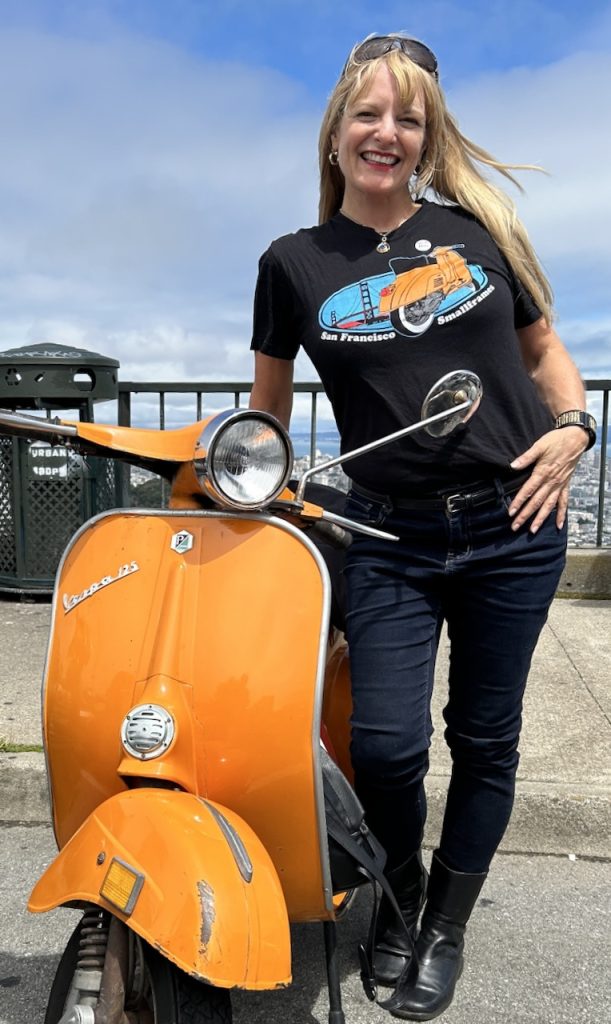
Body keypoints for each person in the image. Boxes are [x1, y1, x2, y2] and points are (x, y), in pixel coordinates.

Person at [248, 34, 595, 1021]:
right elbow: (266, 413)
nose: (385, 132)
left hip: (512, 524)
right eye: (367, 113)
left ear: (427, 136)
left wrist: (575, 427)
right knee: (385, 745)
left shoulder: (477, 233)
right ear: (335, 131)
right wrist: (238, 481)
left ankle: (441, 923)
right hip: (384, 536)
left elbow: (545, 354)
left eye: (407, 118)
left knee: (484, 739)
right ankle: (396, 892)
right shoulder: (293, 263)